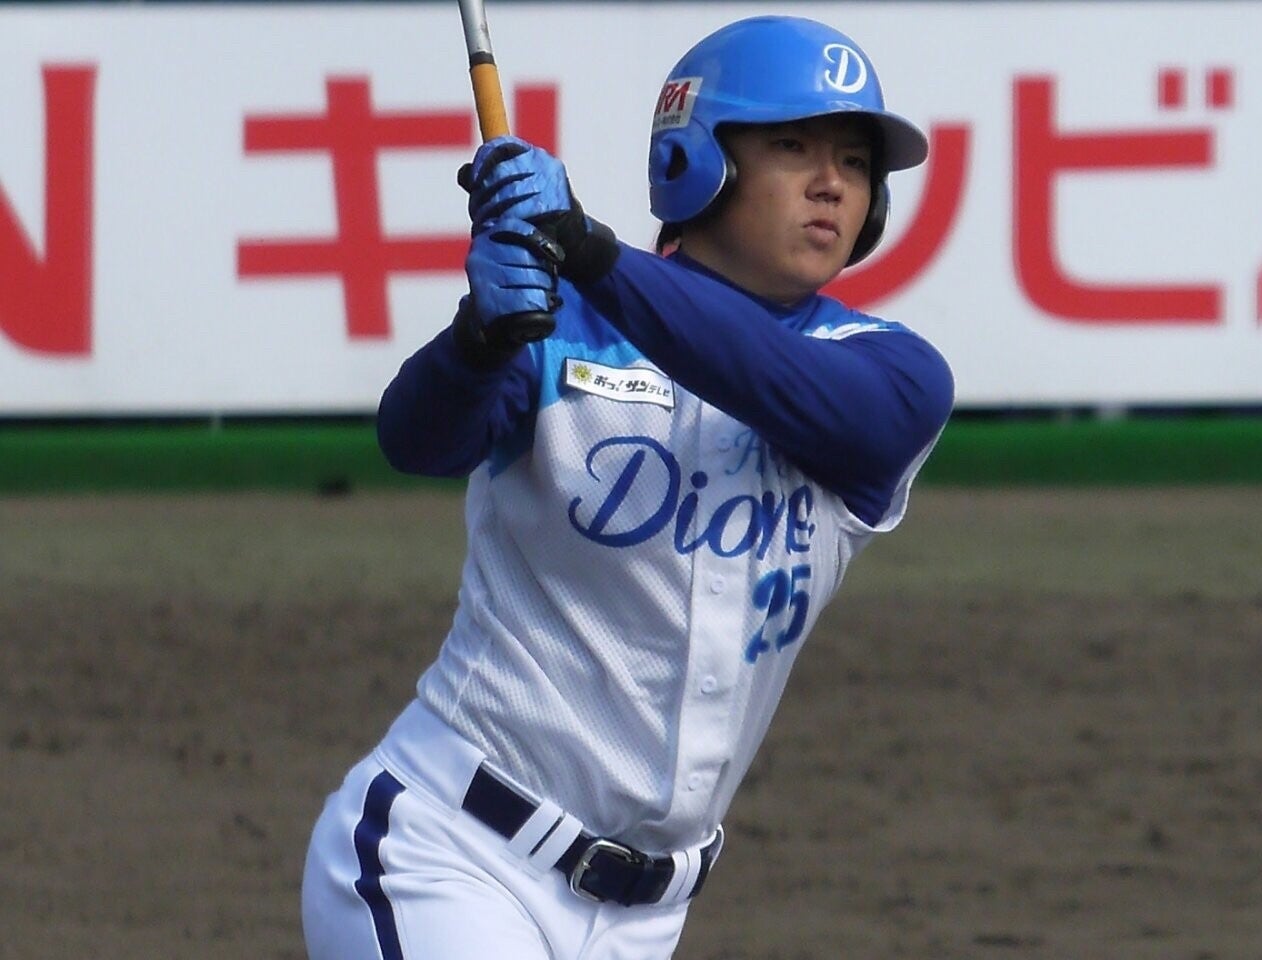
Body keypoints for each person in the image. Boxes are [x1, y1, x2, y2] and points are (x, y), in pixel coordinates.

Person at [301, 14, 954, 960]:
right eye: (793, 147)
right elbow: (417, 441)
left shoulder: (890, 372)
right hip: (450, 857)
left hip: (647, 921)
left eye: (855, 163)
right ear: (697, 163)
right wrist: (478, 341)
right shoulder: (561, 322)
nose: (832, 184)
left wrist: (589, 252)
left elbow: (782, 385)